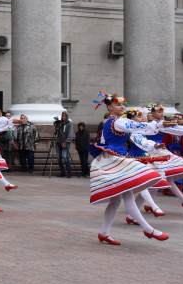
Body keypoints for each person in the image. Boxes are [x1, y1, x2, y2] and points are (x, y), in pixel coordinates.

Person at [89, 92, 170, 244]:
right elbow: (137, 125)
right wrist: (158, 124)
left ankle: (104, 233)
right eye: (118, 104)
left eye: (123, 104)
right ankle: (148, 229)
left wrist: (153, 142)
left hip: (116, 159)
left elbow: (137, 134)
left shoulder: (118, 121)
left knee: (116, 201)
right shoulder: (117, 122)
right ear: (110, 107)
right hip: (113, 160)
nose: (122, 107)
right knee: (127, 195)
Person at [54, 111, 74, 177]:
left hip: (66, 142)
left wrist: (66, 142)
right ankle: (62, 172)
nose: (64, 117)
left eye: (65, 116)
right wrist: (55, 128)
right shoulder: (59, 123)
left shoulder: (69, 123)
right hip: (58, 142)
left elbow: (70, 134)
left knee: (65, 157)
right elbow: (55, 133)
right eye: (63, 115)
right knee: (58, 158)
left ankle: (69, 172)